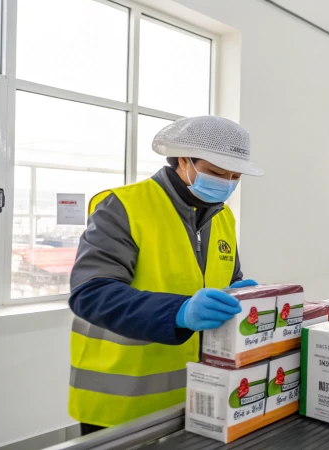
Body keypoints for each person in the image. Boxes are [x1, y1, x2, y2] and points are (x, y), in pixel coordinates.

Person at [67, 116, 262, 434]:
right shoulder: (123, 206)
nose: (226, 183)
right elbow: (91, 293)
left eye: (235, 176)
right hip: (121, 402)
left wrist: (241, 293)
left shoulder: (222, 217)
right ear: (184, 160)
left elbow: (226, 278)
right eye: (215, 172)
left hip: (198, 397)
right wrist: (180, 312)